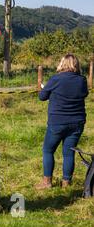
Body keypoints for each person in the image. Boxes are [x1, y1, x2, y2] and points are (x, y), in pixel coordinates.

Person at [36, 54, 89, 189]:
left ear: (62, 64)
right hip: (77, 122)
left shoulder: (56, 79)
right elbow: (84, 94)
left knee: (48, 150)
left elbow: (42, 97)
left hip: (57, 122)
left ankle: (47, 182)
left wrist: (44, 88)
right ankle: (66, 183)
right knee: (69, 153)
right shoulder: (82, 80)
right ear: (76, 65)